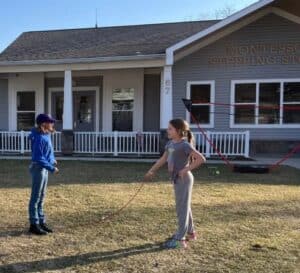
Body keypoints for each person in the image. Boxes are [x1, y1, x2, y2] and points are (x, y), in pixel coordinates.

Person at [145, 118, 206, 249]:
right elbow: (163, 159)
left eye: (170, 129)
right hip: (176, 179)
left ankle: (180, 239)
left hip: (184, 180)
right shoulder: (170, 144)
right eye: (168, 128)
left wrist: (185, 169)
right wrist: (152, 170)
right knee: (184, 206)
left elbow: (201, 159)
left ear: (178, 131)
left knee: (181, 208)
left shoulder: (184, 145)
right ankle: (191, 232)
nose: (167, 130)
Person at [28, 114, 59, 235]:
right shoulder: (39, 138)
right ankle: (33, 224)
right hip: (39, 169)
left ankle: (41, 221)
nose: (52, 124)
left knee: (42, 196)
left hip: (44, 168)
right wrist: (51, 168)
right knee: (36, 197)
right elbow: (38, 157)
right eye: (49, 122)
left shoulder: (45, 135)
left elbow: (48, 151)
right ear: (43, 124)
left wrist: (52, 159)